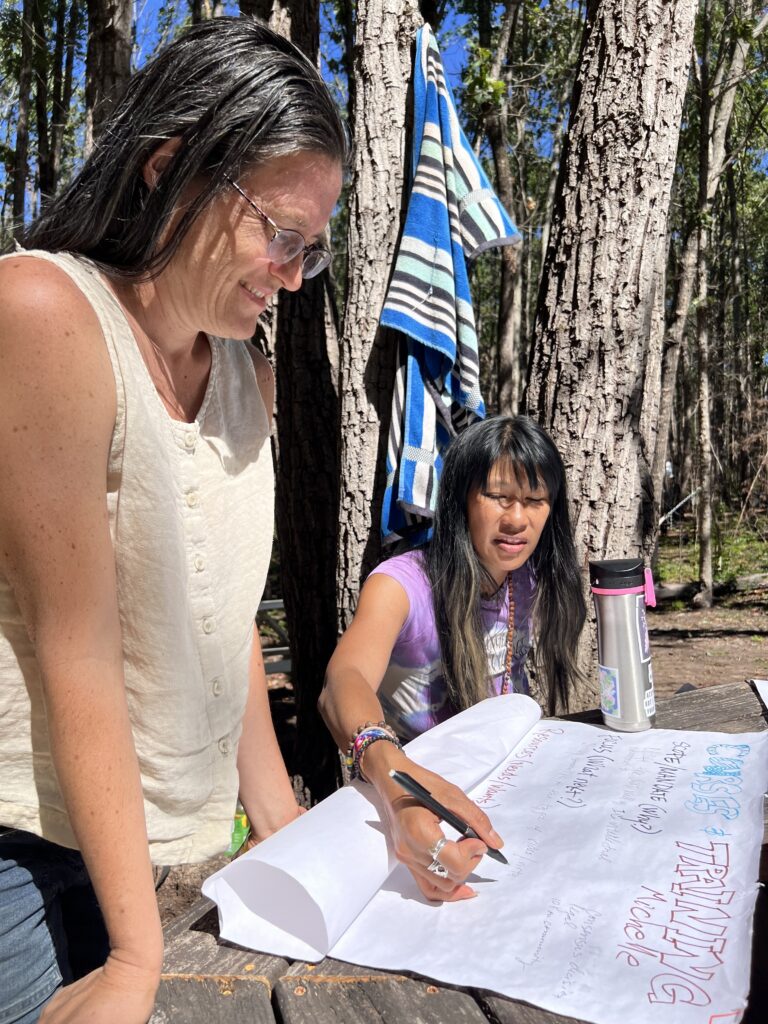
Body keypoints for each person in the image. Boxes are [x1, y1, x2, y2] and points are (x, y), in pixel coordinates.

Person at [0, 16, 347, 1024]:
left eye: (309, 251)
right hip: (27, 854)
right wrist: (136, 955)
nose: (290, 273)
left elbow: (219, 610)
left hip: (164, 860)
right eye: (277, 234)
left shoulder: (248, 374)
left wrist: (277, 814)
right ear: (168, 168)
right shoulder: (44, 314)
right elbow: (79, 644)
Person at [319, 415, 585, 904]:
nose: (517, 519)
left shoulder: (529, 579)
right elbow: (343, 679)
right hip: (410, 813)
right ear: (461, 498)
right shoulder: (401, 584)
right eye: (499, 496)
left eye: (534, 500)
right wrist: (396, 777)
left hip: (501, 799)